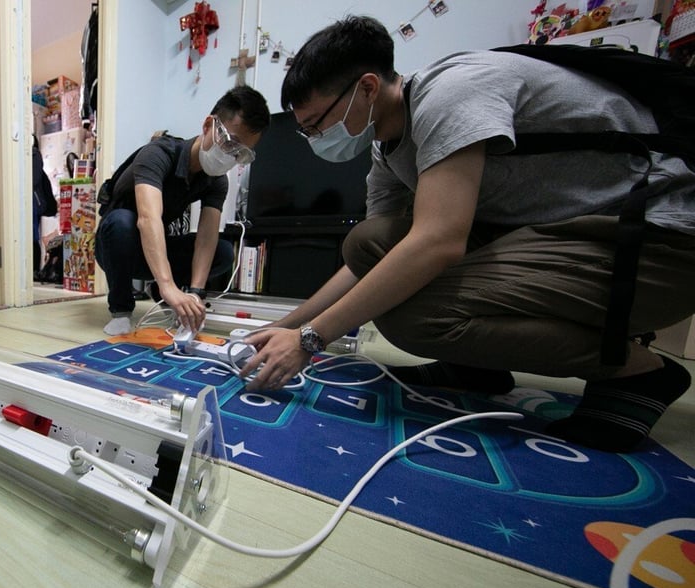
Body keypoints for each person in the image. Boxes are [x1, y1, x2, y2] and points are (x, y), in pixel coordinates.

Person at [239, 15, 695, 453]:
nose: (317, 138)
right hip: (559, 234)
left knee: (412, 320)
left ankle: (638, 373)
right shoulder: (388, 149)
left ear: (367, 88)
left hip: (657, 240)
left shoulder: (451, 93)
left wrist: (311, 341)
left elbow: (438, 241)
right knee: (365, 242)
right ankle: (478, 365)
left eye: (318, 123)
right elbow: (371, 261)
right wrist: (285, 325)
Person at [95, 85, 270, 336]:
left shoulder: (217, 180)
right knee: (122, 222)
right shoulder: (158, 153)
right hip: (115, 246)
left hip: (153, 249)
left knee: (222, 251)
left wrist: (195, 293)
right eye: (230, 142)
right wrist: (168, 285)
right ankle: (121, 309)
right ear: (209, 125)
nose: (231, 155)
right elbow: (148, 219)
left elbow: (207, 237)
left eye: (241, 153)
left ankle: (162, 295)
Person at [32, 134, 57, 275]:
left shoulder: (33, 156)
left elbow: (34, 182)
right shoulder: (36, 159)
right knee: (32, 237)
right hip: (35, 203)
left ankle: (34, 272)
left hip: (33, 204)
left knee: (32, 238)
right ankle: (34, 272)